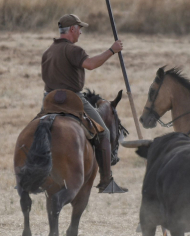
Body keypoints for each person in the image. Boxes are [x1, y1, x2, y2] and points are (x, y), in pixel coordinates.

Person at [41, 14, 127, 192]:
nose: (80, 32)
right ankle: (106, 181)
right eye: (79, 29)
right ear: (72, 29)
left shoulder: (48, 52)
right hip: (72, 99)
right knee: (103, 132)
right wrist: (112, 50)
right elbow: (90, 64)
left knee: (37, 130)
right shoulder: (73, 50)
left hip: (48, 99)